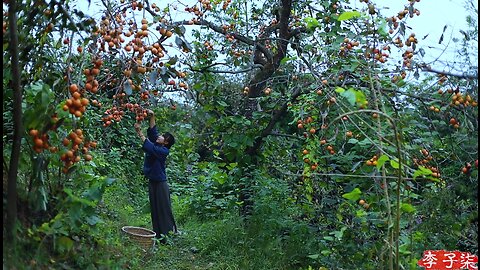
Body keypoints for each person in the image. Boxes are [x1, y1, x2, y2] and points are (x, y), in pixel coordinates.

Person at [134, 109, 177, 243]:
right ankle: (158, 235)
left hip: (160, 183)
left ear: (166, 143)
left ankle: (169, 235)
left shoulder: (163, 151)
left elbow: (150, 148)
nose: (160, 136)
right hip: (153, 181)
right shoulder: (157, 143)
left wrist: (139, 133)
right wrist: (152, 116)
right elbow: (153, 131)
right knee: (155, 208)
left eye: (163, 136)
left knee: (164, 208)